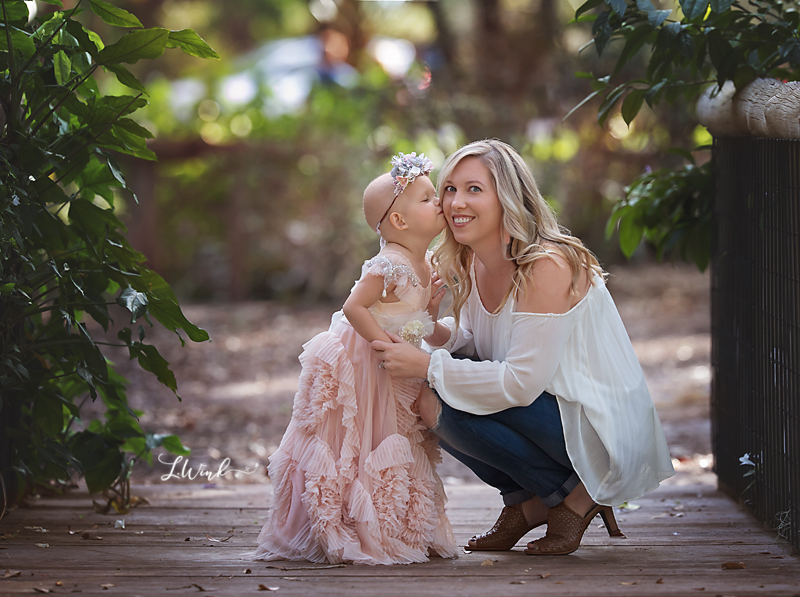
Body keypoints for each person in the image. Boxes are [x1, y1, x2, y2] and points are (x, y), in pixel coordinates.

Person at [372, 140, 674, 556]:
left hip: (592, 423)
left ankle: (576, 494)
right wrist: (430, 325)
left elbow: (519, 383)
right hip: (548, 410)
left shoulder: (545, 264)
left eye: (475, 189)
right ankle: (526, 501)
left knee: (437, 391)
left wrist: (427, 364)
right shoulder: (479, 260)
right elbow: (479, 343)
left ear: (508, 197)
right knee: (431, 392)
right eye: (449, 189)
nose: (456, 202)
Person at [253, 153, 457, 565]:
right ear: (399, 222)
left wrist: (433, 313)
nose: (440, 203)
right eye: (428, 198)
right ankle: (352, 521)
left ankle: (393, 521)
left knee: (390, 433)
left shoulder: (426, 260)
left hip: (396, 360)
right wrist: (384, 345)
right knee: (357, 435)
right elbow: (353, 308)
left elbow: (421, 324)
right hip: (366, 360)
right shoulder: (390, 262)